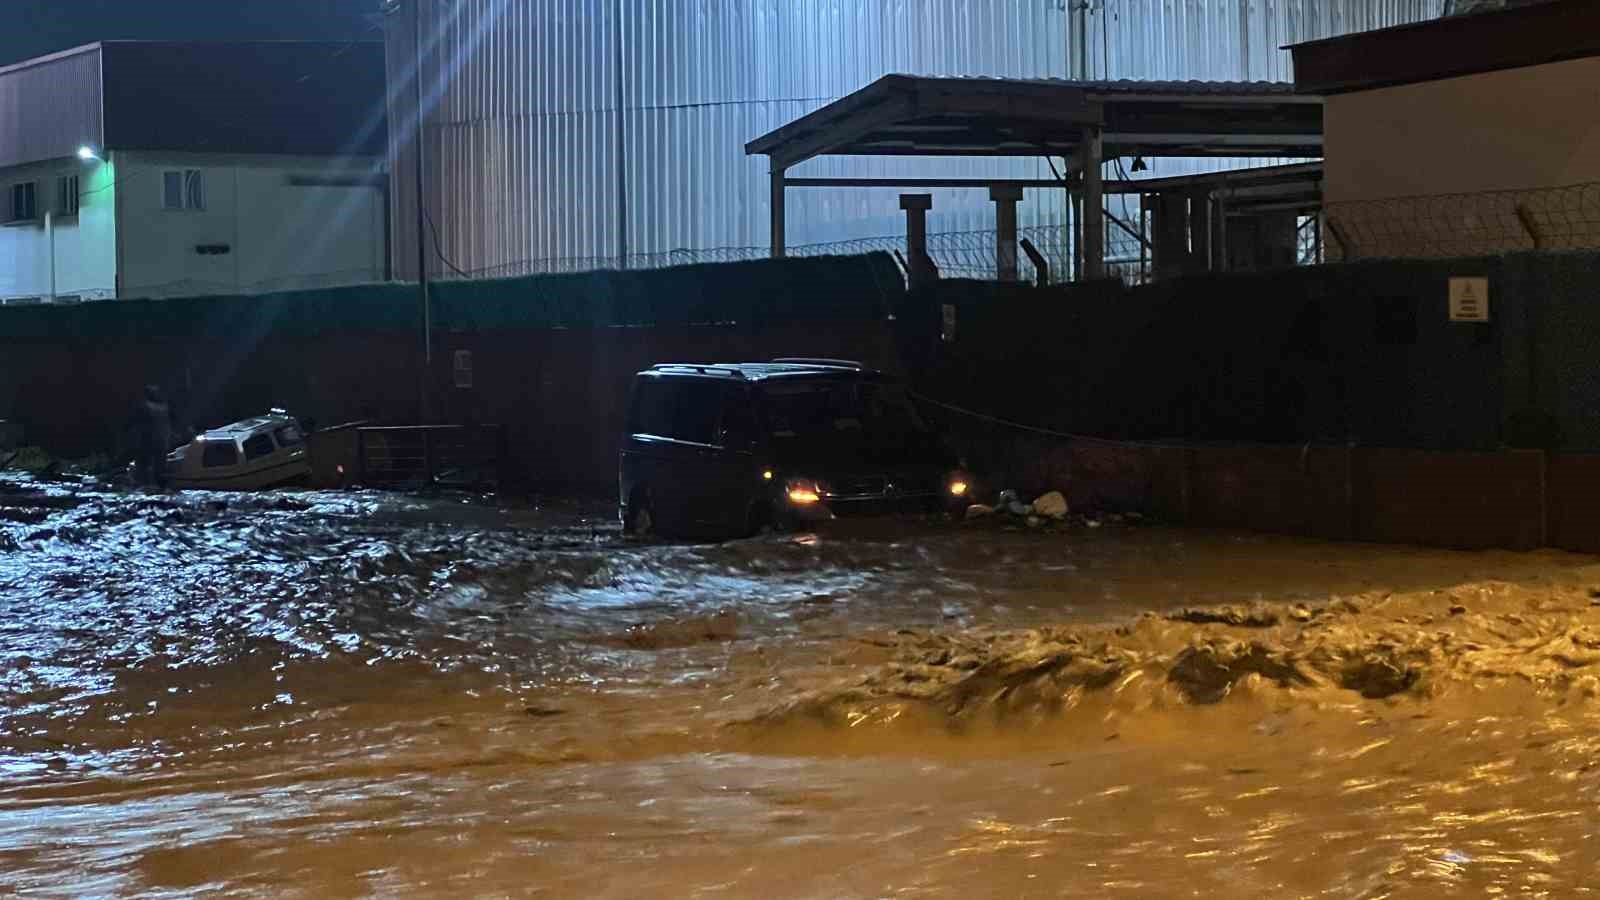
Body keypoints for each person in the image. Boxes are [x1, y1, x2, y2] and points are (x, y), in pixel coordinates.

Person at [131, 385, 173, 488]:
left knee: (143, 464)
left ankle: (143, 483)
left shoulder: (145, 406)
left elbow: (136, 422)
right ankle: (160, 484)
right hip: (162, 439)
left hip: (148, 439)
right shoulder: (165, 407)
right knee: (160, 464)